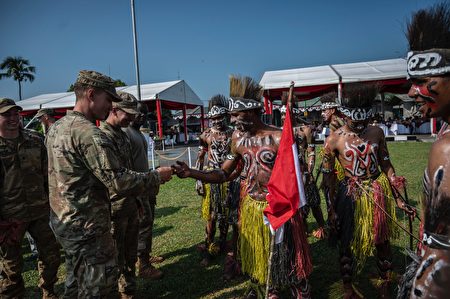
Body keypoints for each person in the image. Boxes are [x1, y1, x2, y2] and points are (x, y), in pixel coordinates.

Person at [173, 75, 312, 298]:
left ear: (253, 111)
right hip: (253, 208)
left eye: (237, 114)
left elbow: (298, 175)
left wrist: (298, 209)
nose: (233, 119)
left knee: (290, 260)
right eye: (232, 114)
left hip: (280, 209)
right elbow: (224, 173)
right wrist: (192, 173)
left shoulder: (278, 137)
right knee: (260, 259)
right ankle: (270, 290)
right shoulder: (237, 139)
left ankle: (299, 290)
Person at [45, 70, 173, 298]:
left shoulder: (57, 128)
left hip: (66, 224)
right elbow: (118, 181)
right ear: (91, 94)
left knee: (75, 285)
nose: (111, 106)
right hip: (88, 226)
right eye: (108, 99)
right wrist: (156, 176)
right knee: (100, 289)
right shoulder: (89, 133)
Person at [321, 84, 414, 298]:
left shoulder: (377, 132)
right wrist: (332, 209)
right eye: (356, 122)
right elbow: (328, 180)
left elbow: (386, 164)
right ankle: (347, 287)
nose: (361, 126)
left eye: (364, 121)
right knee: (346, 243)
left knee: (382, 241)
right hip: (349, 195)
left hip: (376, 192)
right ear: (344, 115)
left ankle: (384, 281)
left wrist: (398, 197)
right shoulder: (333, 140)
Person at [397, 4, 450, 299]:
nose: (411, 92)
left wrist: (419, 290)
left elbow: (442, 256)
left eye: (421, 81)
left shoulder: (446, 147)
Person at [0, 98, 61, 299]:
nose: (12, 118)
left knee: (51, 255)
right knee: (11, 266)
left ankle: (48, 291)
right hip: (9, 217)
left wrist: (54, 202)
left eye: (15, 113)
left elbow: (47, 174)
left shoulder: (34, 139)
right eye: (6, 114)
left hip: (39, 211)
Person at [123, 102, 164, 280]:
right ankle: (143, 264)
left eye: (145, 113)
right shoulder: (126, 134)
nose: (142, 116)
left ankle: (145, 256)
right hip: (137, 187)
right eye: (139, 113)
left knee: (147, 224)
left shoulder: (139, 133)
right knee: (143, 225)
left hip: (146, 185)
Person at [194, 94, 234, 266]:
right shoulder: (206, 135)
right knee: (210, 217)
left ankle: (223, 244)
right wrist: (198, 179)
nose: (217, 121)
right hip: (211, 180)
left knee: (225, 216)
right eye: (214, 118)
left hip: (229, 179)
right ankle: (209, 248)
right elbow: (201, 157)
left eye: (220, 118)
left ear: (226, 116)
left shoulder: (234, 134)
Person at [280, 105, 326, 239]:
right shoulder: (279, 132)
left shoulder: (306, 130)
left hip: (304, 170)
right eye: (282, 115)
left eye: (285, 114)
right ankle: (302, 227)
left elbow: (311, 152)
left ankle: (322, 226)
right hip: (288, 174)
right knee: (296, 204)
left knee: (313, 201)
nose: (283, 117)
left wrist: (309, 170)